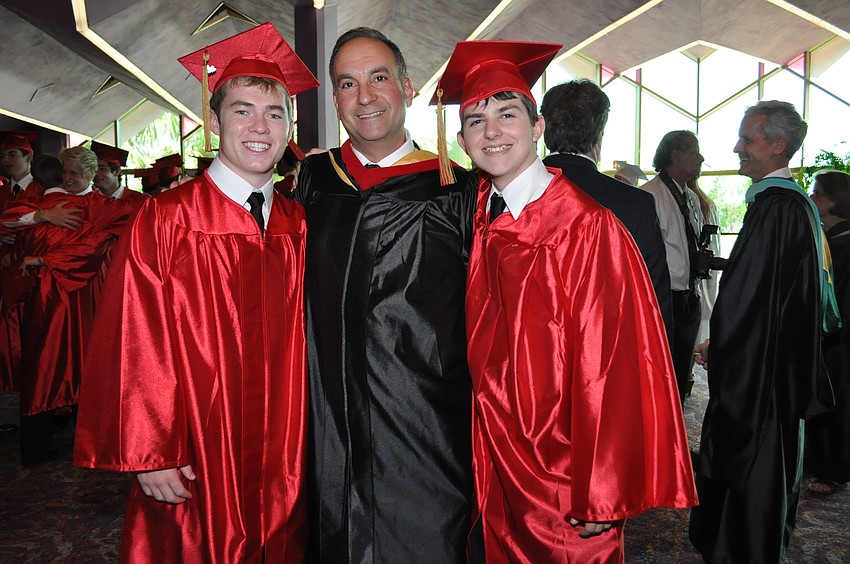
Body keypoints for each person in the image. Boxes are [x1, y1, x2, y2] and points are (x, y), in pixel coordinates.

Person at [438, 40, 697, 562]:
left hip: (562, 474)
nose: (491, 131)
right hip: (500, 457)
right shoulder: (485, 215)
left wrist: (601, 487)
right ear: (462, 139)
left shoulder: (584, 226)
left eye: (507, 115)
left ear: (538, 129)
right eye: (475, 120)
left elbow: (614, 365)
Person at [73, 23, 319, 562]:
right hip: (195, 447)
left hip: (285, 447)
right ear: (213, 122)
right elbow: (135, 336)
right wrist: (151, 451)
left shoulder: (298, 223)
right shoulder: (167, 217)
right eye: (242, 110)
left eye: (275, 113)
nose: (260, 126)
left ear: (288, 128)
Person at [292, 27, 476, 563]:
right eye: (347, 84)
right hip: (327, 415)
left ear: (409, 86)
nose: (365, 97)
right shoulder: (312, 182)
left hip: (425, 419)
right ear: (334, 99)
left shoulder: (456, 190)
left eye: (379, 78)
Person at [689, 100, 839, 563]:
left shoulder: (777, 208)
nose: (737, 148)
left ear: (778, 146)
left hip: (762, 371)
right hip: (775, 361)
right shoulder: (791, 207)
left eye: (748, 139)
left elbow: (751, 300)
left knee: (753, 467)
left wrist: (724, 347)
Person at [0, 148, 131, 466]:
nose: (69, 179)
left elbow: (92, 248)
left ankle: (89, 443)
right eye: (66, 173)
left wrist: (44, 259)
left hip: (85, 295)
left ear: (92, 174)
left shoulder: (102, 207)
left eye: (76, 173)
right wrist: (42, 217)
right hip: (47, 298)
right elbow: (8, 223)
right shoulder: (42, 203)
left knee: (86, 365)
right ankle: (38, 446)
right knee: (46, 366)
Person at [540, 79, 673, 339]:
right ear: (599, 134)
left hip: (529, 353)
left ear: (542, 129)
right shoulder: (635, 204)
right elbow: (653, 299)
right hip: (606, 350)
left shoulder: (509, 196)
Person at [640, 130, 705, 402]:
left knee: (680, 372)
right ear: (676, 156)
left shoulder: (690, 196)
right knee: (660, 375)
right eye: (694, 151)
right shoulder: (649, 196)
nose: (701, 158)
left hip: (689, 296)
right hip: (664, 300)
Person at [805, 169, 850, 495]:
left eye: (818, 192)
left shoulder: (845, 244)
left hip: (841, 339)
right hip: (827, 337)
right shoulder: (828, 237)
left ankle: (835, 468)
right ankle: (818, 458)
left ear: (837, 201)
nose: (812, 196)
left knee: (841, 399)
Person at [91, 141, 148, 207]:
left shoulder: (139, 201)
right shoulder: (87, 201)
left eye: (101, 168)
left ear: (117, 171)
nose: (96, 173)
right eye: (93, 169)